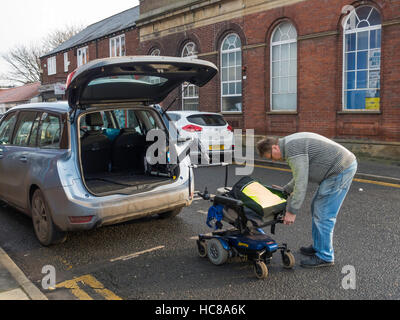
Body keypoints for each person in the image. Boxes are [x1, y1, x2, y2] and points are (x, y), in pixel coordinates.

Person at [257, 132, 358, 268]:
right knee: (316, 207)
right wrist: (286, 190)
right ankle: (319, 247)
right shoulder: (289, 145)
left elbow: (301, 182)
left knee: (324, 213)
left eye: (270, 157)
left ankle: (325, 256)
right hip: (339, 167)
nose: (273, 160)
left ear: (275, 148)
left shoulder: (292, 151)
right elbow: (302, 173)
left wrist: (291, 211)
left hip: (340, 169)